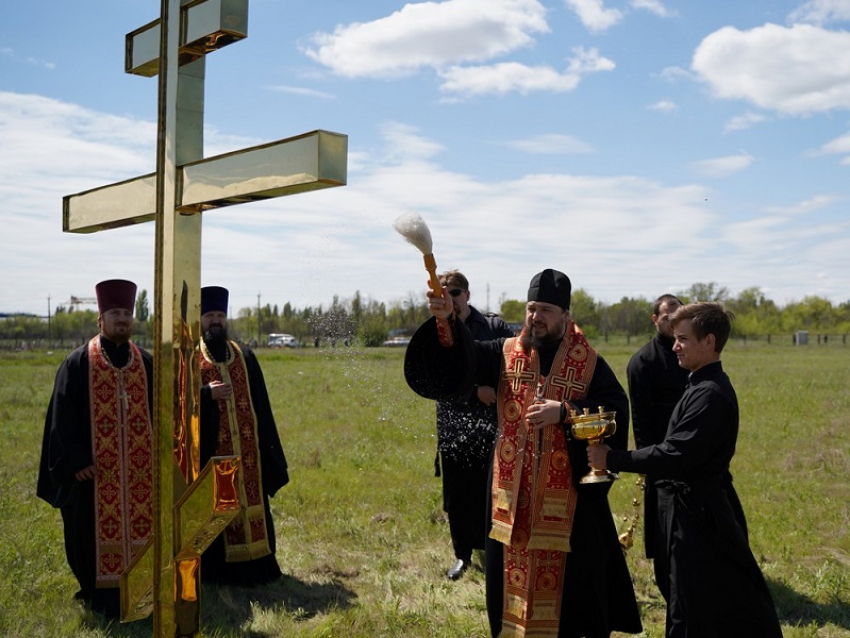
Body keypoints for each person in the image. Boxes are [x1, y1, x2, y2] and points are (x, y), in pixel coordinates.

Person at [405, 269, 641, 638]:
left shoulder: (588, 361)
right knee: (510, 601)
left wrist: (564, 411)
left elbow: (615, 410)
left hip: (568, 509)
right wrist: (446, 319)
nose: (536, 317)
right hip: (510, 502)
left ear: (565, 314)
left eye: (546, 309)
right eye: (532, 308)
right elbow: (461, 360)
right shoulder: (505, 351)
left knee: (572, 603)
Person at [587, 302, 782, 638]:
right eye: (674, 338)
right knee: (690, 599)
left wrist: (613, 459)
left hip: (700, 517)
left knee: (699, 604)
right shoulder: (696, 383)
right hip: (686, 511)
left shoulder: (711, 394)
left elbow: (675, 454)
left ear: (709, 341)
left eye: (683, 339)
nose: (675, 345)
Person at [37, 279, 154, 618]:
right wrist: (75, 461)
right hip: (94, 477)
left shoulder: (145, 364)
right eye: (115, 313)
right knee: (88, 533)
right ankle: (97, 596)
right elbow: (62, 417)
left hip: (139, 479)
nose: (122, 319)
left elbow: (163, 415)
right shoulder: (77, 364)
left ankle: (143, 592)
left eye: (127, 314)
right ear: (100, 319)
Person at [199, 285, 290, 585]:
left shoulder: (244, 356)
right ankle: (222, 574)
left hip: (249, 455)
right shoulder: (190, 359)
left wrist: (269, 452)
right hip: (213, 457)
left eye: (220, 315)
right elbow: (177, 405)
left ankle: (259, 567)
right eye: (210, 315)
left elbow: (262, 407)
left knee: (253, 506)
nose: (216, 321)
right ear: (200, 320)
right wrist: (205, 395)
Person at [433, 270, 514, 580]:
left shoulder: (494, 326)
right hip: (454, 425)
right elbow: (436, 382)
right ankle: (461, 555)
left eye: (454, 292)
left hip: (494, 424)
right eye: (443, 294)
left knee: (494, 490)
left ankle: (495, 550)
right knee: (457, 494)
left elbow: (512, 366)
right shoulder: (435, 332)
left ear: (466, 295)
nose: (450, 299)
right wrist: (473, 393)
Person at [625, 294, 689, 562]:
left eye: (678, 318)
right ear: (655, 320)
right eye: (667, 318)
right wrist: (647, 457)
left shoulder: (690, 353)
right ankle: (664, 557)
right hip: (660, 448)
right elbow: (639, 416)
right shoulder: (642, 361)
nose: (673, 323)